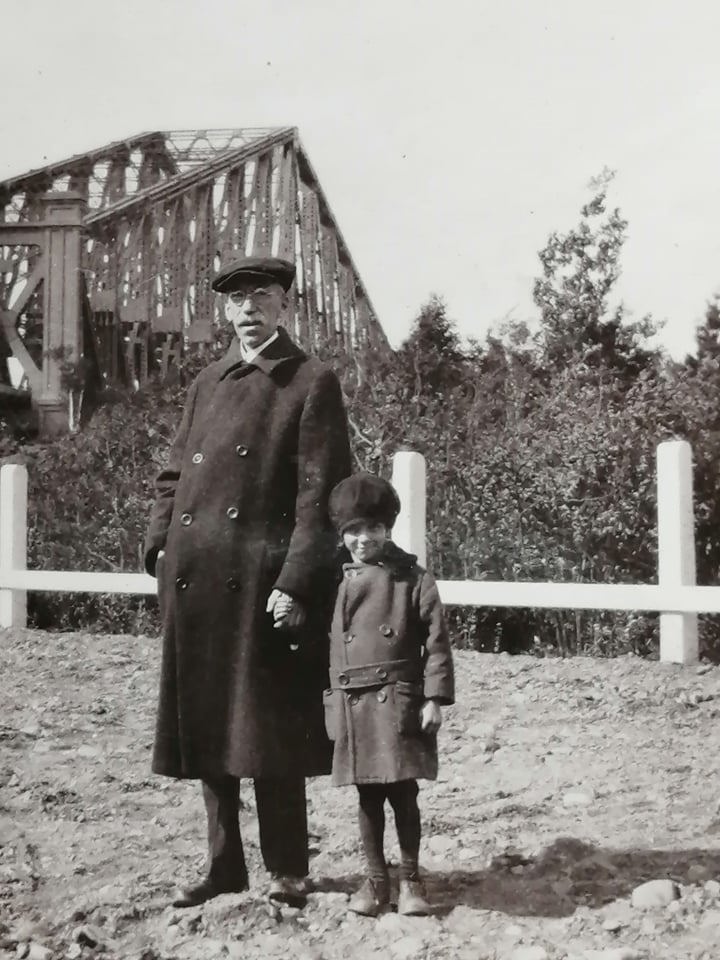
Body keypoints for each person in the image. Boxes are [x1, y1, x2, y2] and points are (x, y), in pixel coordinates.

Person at [144, 254, 352, 909]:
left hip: (265, 586)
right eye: (237, 302)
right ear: (225, 310)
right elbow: (174, 473)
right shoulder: (209, 381)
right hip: (195, 580)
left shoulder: (310, 381)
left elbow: (325, 494)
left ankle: (289, 869)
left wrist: (296, 579)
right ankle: (222, 867)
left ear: (286, 305)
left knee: (269, 730)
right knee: (209, 730)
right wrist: (157, 545)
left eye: (261, 298)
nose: (248, 312)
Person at [323, 473, 455, 917]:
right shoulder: (334, 582)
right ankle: (376, 881)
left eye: (373, 529)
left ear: (388, 530)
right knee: (367, 795)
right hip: (352, 699)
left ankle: (412, 880)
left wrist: (434, 698)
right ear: (342, 535)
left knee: (403, 793)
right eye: (354, 531)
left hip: (398, 699)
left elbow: (436, 641)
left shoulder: (412, 578)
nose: (364, 539)